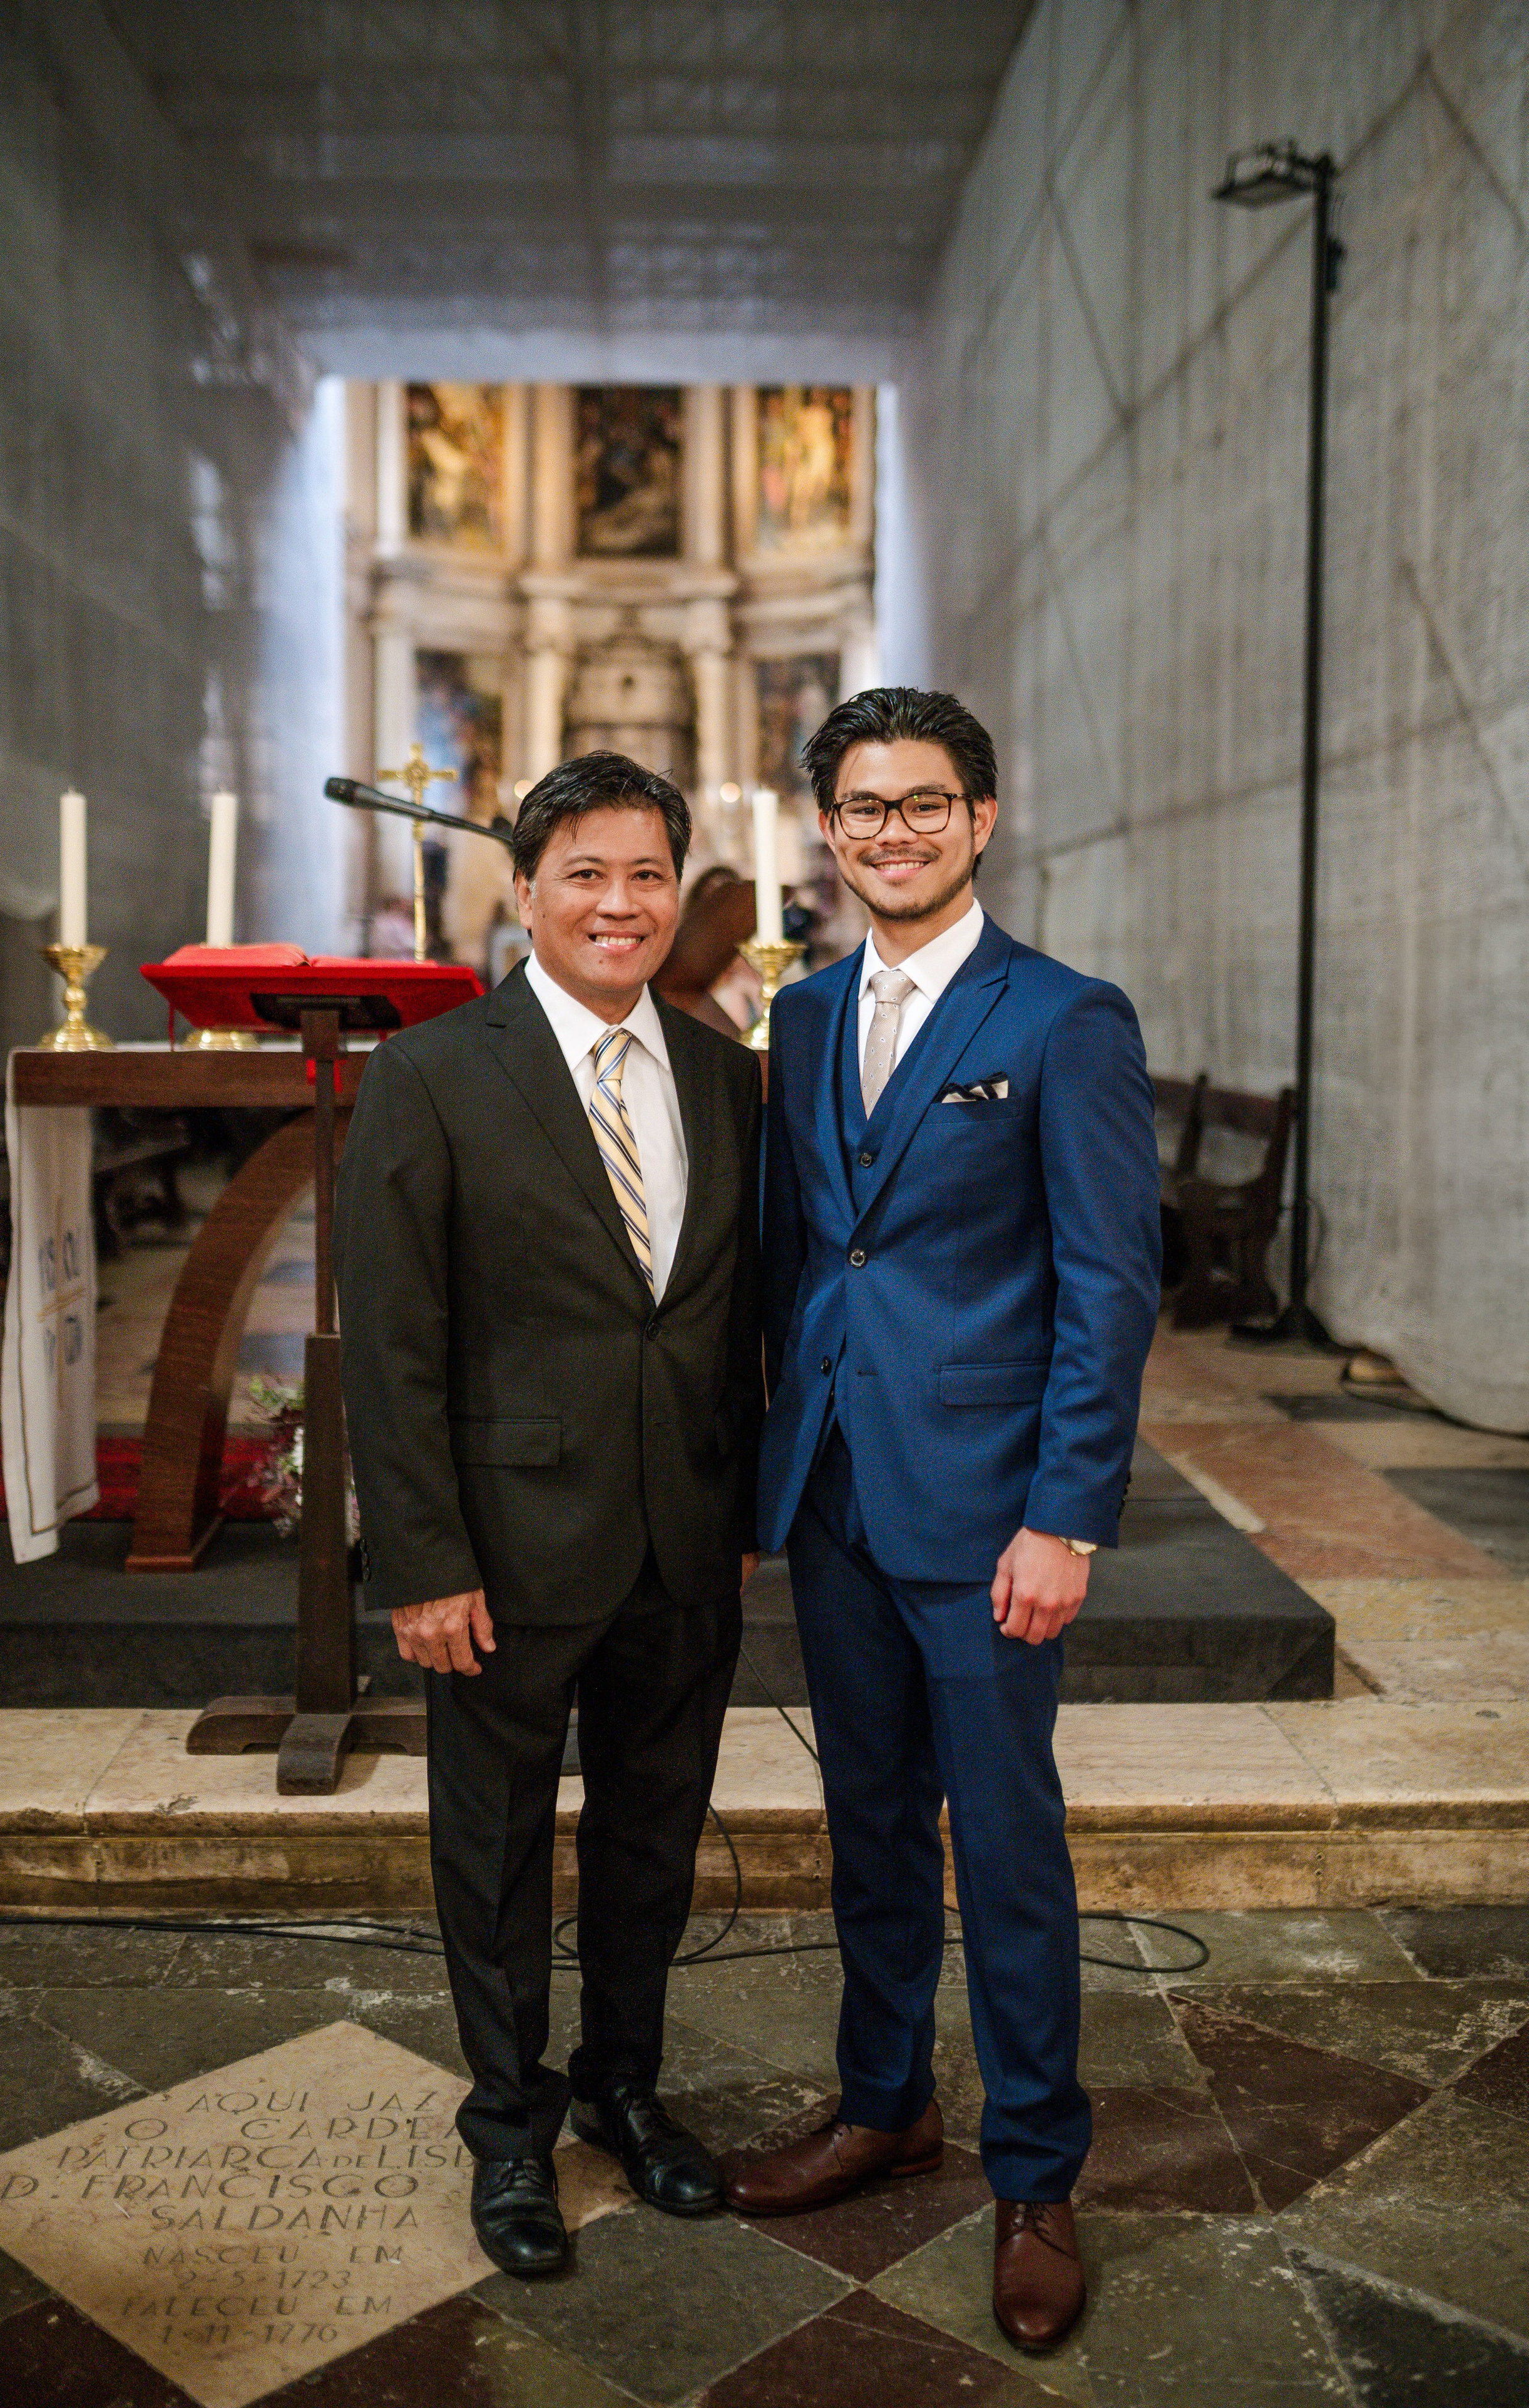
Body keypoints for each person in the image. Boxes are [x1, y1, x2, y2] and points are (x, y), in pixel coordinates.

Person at [725, 688, 1160, 2354]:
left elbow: (1111, 1287)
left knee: (1011, 1848)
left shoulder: (1065, 1020)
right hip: (836, 1492)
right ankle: (883, 2098)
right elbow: (796, 1256)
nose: (889, 831)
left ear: (982, 818)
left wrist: (1068, 1518)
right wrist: (759, 1469)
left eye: (923, 804)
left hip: (989, 1518)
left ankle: (1038, 2175)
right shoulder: (812, 1013)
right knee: (873, 1831)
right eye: (860, 806)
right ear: (825, 829)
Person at [334, 752, 764, 2278]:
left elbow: (735, 1308)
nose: (619, 902)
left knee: (652, 1841)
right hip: (504, 1552)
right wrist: (424, 1558)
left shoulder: (723, 1073)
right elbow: (391, 1340)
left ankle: (625, 2090)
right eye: (584, 872)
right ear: (525, 892)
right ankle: (510, 2129)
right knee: (499, 1849)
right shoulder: (434, 1073)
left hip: (679, 1538)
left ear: (677, 892)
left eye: (647, 873)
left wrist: (751, 1493)